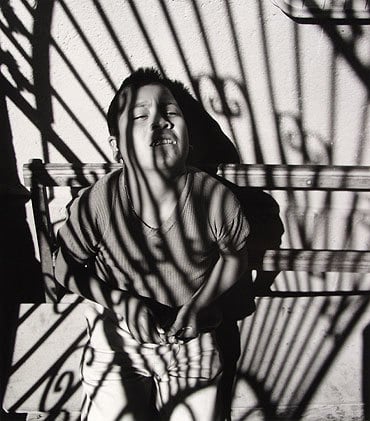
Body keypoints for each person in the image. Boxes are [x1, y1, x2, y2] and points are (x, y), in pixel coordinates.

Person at [55, 68, 250, 421]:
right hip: (118, 334)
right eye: (140, 116)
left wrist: (201, 304)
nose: (159, 121)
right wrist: (119, 301)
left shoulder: (214, 198)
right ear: (118, 147)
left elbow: (235, 257)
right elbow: (62, 266)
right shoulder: (99, 200)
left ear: (189, 139)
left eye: (170, 112)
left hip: (191, 336)